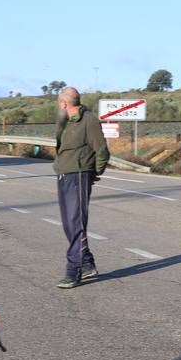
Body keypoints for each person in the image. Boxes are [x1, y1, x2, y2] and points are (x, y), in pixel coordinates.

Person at [52, 86, 110, 289]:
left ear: (63, 103)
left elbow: (102, 149)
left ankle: (73, 270)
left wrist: (95, 172)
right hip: (64, 174)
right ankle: (86, 264)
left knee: (75, 222)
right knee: (69, 224)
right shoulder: (65, 121)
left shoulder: (89, 120)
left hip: (79, 174)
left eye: (58, 103)